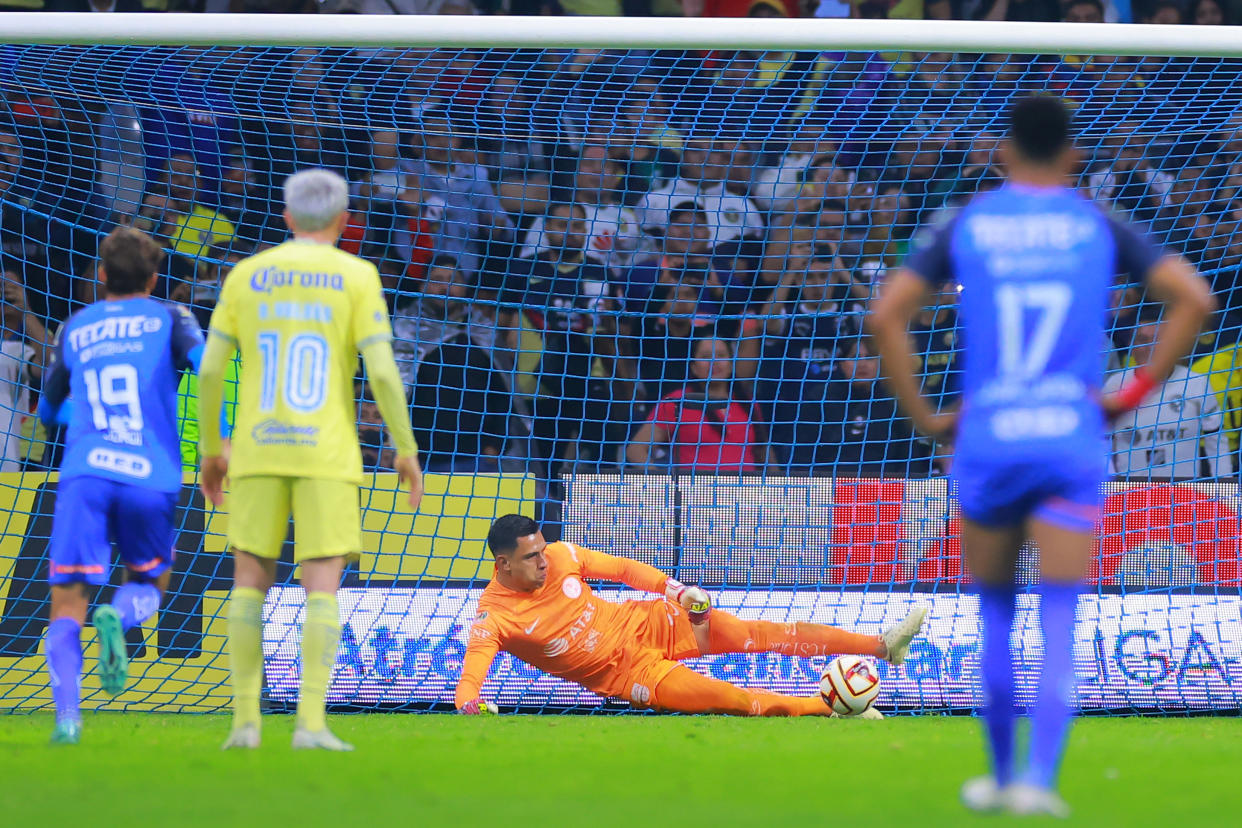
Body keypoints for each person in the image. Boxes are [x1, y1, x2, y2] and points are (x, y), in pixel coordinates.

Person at [868, 96, 1214, 816]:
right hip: (1067, 437)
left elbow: (885, 314)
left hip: (991, 439)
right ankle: (1040, 783)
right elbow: (1194, 297)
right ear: (1073, 156)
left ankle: (997, 777)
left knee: (995, 614)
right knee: (1059, 615)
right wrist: (1133, 393)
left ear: (1002, 151)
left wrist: (929, 418)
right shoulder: (1095, 222)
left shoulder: (970, 222)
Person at [197, 168, 426, 752]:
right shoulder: (357, 274)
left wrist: (211, 450)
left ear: (286, 217)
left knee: (249, 584)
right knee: (321, 588)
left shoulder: (247, 275)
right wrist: (405, 446)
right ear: (346, 221)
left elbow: (211, 368)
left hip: (257, 447)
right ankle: (311, 725)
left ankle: (245, 725)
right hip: (327, 451)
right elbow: (380, 369)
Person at [455, 514, 929, 717]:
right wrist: (469, 704)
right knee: (733, 700)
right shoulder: (495, 615)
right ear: (504, 565)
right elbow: (472, 673)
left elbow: (621, 569)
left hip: (645, 622)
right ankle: (837, 708)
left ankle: (883, 646)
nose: (544, 560)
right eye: (532, 557)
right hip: (630, 674)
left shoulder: (560, 556)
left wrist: (677, 591)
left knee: (755, 633)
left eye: (542, 550)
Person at [36, 227, 208, 745]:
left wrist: (86, 414)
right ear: (155, 278)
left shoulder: (75, 327)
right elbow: (210, 369)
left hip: (86, 472)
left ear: (103, 275)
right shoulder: (172, 317)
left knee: (66, 602)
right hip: (149, 472)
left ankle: (68, 721)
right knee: (151, 580)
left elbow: (47, 412)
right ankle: (121, 614)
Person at [1105, 314, 1225, 480]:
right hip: (1131, 492)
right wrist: (1108, 482)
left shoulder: (1196, 383)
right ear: (1131, 346)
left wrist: (1225, 489)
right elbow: (1097, 442)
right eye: (1142, 340)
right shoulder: (1115, 385)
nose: (1151, 347)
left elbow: (1217, 441)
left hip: (1185, 492)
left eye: (1158, 340)